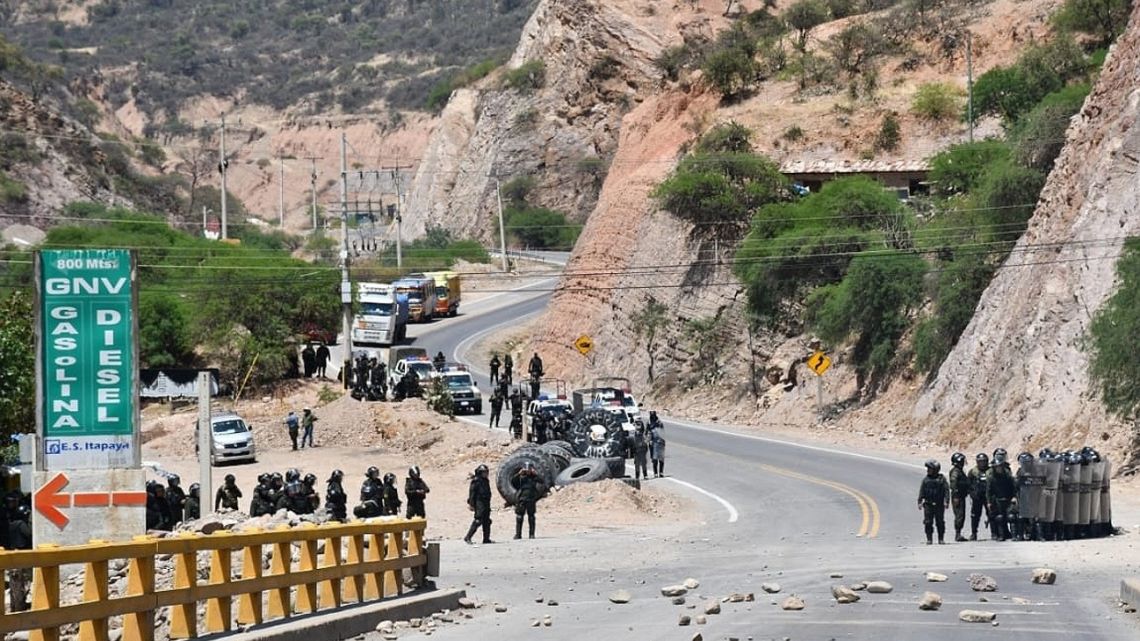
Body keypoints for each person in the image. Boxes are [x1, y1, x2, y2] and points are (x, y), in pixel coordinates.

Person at [4, 491, 31, 612]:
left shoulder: (8, 524)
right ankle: (20, 605)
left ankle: (15, 606)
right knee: (22, 580)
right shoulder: (20, 524)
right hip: (22, 552)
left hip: (11, 552)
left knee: (13, 580)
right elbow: (29, 535)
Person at [986, 448, 1016, 541]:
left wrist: (1014, 497)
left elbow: (1013, 487)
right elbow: (989, 490)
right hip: (997, 500)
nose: (999, 468)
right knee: (999, 518)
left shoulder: (1007, 475)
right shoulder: (991, 477)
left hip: (1008, 498)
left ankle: (1014, 535)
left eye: (1000, 466)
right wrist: (989, 502)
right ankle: (1000, 535)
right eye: (997, 467)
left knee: (1011, 517)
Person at [918, 459, 950, 545]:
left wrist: (946, 501)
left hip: (939, 504)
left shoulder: (941, 479)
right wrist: (920, 501)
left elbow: (946, 491)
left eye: (930, 469)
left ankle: (941, 539)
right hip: (928, 504)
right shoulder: (926, 480)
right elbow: (922, 491)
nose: (928, 470)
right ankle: (929, 539)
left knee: (940, 522)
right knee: (928, 522)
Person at [464, 464, 493, 545]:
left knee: (487, 521)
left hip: (486, 503)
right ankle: (468, 537)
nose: (486, 474)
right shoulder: (476, 481)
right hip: (479, 503)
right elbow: (472, 494)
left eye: (486, 472)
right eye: (484, 472)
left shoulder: (486, 481)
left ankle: (486, 539)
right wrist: (471, 504)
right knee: (478, 520)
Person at [513, 461, 541, 539]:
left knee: (531, 516)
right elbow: (513, 482)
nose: (527, 470)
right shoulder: (521, 477)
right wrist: (519, 474)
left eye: (529, 469)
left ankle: (531, 534)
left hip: (531, 498)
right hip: (522, 498)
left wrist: (535, 474)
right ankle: (518, 534)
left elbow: (542, 481)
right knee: (519, 517)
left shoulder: (533, 477)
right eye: (526, 469)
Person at [967, 452, 990, 540]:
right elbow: (968, 484)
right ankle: (974, 533)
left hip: (988, 497)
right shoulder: (973, 472)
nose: (982, 464)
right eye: (980, 462)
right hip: (977, 497)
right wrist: (972, 494)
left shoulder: (990, 471)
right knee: (975, 515)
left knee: (992, 514)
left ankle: (995, 532)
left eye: (984, 462)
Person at [948, 452, 970, 542]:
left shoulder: (960, 470)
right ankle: (957, 534)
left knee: (961, 515)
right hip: (957, 496)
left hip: (961, 496)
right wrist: (956, 496)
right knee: (959, 515)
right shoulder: (955, 471)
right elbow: (954, 483)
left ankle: (958, 533)